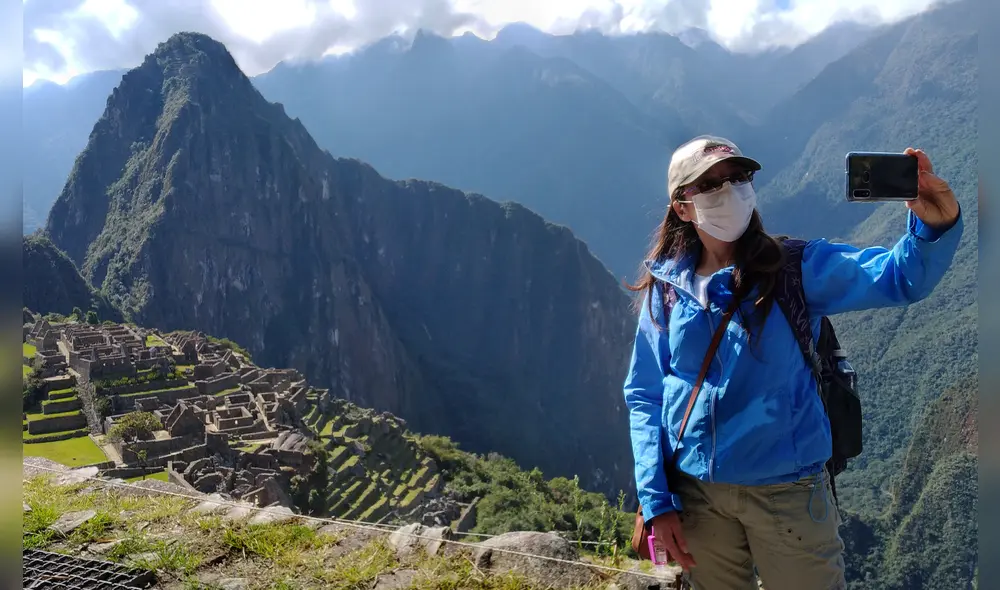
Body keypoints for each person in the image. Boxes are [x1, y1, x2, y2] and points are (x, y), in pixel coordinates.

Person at [622, 135, 963, 589]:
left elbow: (897, 278)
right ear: (682, 206)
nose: (730, 191)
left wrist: (933, 228)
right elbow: (645, 395)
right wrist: (657, 500)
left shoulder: (795, 269)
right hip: (698, 495)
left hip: (788, 495)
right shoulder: (666, 290)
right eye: (711, 184)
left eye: (738, 177)